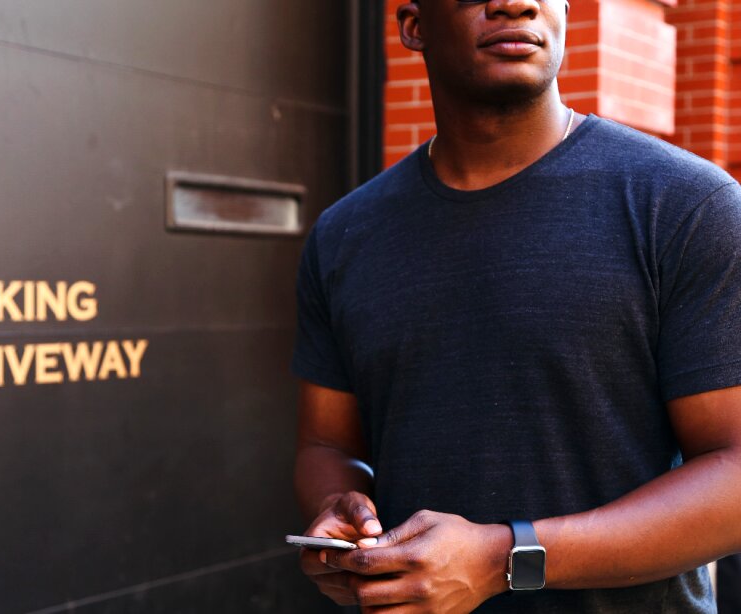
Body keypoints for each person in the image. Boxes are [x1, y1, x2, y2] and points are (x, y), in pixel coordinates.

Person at [291, 0, 741, 612]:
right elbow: (326, 445)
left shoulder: (684, 205)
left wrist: (504, 559)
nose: (516, 2)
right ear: (413, 27)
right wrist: (340, 510)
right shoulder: (345, 234)